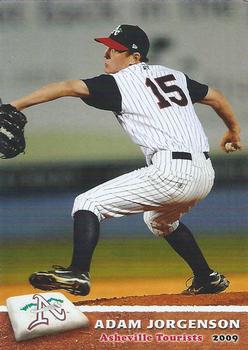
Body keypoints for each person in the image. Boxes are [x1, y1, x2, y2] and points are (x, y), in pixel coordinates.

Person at [9, 24, 241, 296]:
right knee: (159, 221)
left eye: (115, 49)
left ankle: (78, 272)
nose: (107, 54)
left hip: (172, 171)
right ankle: (207, 277)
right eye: (107, 47)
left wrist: (15, 106)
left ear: (134, 56)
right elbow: (215, 96)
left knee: (87, 202)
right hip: (204, 173)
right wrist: (233, 130)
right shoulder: (173, 75)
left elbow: (67, 87)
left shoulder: (118, 83)